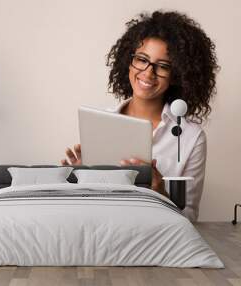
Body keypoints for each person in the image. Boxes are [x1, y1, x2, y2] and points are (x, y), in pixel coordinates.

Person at [60, 10, 219, 222]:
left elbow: (189, 218)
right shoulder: (98, 124)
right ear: (129, 60)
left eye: (163, 66)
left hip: (154, 241)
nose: (148, 72)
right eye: (142, 59)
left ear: (177, 75)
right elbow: (85, 207)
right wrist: (79, 177)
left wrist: (159, 191)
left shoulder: (191, 138)